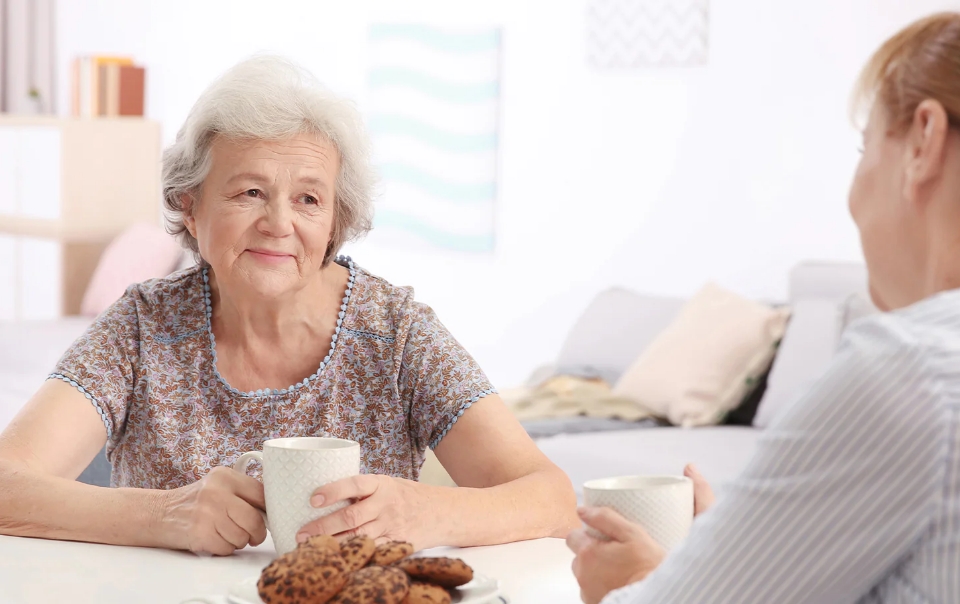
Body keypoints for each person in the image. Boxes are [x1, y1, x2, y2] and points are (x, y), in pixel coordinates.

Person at [0, 56, 578, 556]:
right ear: (191, 208)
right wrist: (161, 515)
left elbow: (550, 496)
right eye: (250, 191)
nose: (279, 224)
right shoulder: (142, 326)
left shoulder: (398, 332)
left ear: (333, 223)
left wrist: (430, 513)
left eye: (308, 199)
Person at [567, 12, 960, 604]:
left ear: (923, 143)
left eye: (865, 143)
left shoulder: (911, 370)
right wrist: (743, 552)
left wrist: (640, 583)